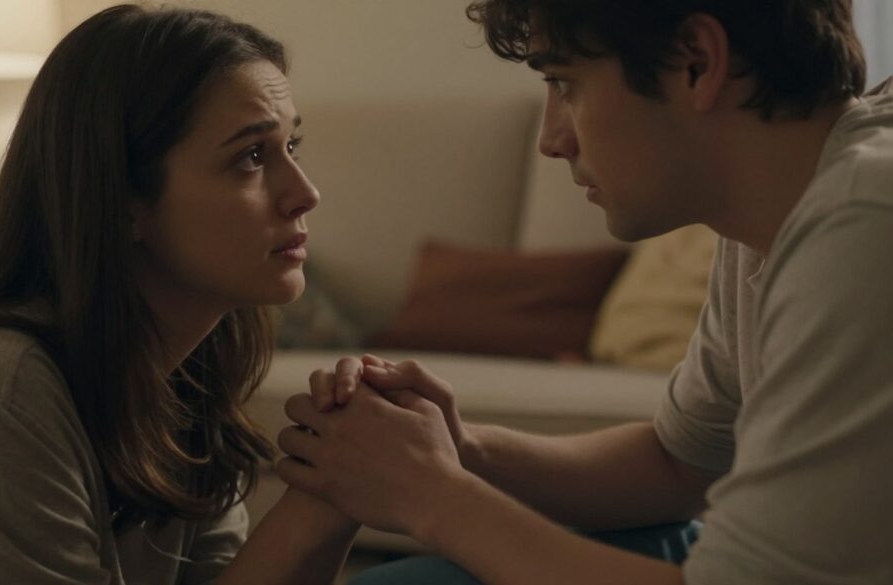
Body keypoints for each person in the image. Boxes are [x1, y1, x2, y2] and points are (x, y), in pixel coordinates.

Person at [276, 0, 893, 583]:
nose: (551, 139)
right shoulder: (772, 213)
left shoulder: (864, 218)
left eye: (565, 84)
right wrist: (461, 449)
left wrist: (431, 496)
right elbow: (678, 463)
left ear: (696, 63)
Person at [0, 5, 360, 584]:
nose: (305, 193)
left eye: (291, 148)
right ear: (125, 200)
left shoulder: (188, 374)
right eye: (251, 157)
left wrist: (336, 482)